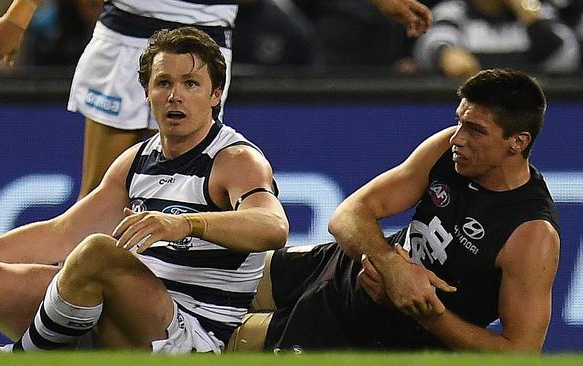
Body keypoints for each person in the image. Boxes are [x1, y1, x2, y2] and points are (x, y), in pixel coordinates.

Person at [0, 27, 288, 353]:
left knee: (99, 254)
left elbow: (273, 226)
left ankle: (24, 358)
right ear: (147, 93)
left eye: (191, 84)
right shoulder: (137, 159)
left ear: (216, 95)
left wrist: (187, 224)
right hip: (116, 318)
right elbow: (63, 234)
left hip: (189, 339)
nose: (174, 96)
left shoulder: (235, 159)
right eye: (163, 83)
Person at [228, 68, 561, 353]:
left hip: (362, 334)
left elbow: (519, 353)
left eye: (475, 131)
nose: (458, 138)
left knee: (211, 341)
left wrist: (422, 310)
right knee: (199, 277)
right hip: (336, 266)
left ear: (517, 141)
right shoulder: (448, 151)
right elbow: (348, 214)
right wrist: (392, 267)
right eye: (460, 122)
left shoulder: (531, 233)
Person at [0, 0, 434, 199]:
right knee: (101, 198)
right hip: (124, 36)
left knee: (174, 195)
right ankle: (80, 323)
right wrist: (17, 17)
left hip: (202, 43)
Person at [413, 0, 580, 81]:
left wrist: (530, 15)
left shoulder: (539, 14)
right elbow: (430, 44)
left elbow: (566, 58)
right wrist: (445, 54)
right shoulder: (455, 11)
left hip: (524, 109)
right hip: (471, 105)